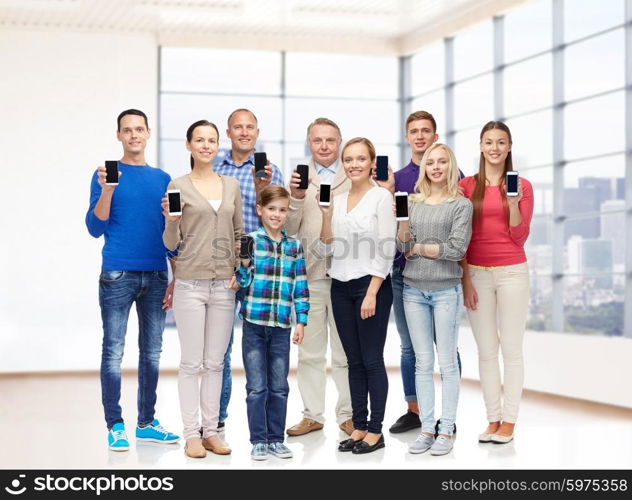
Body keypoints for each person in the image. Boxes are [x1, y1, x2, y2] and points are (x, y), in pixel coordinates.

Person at [85, 109, 180, 451]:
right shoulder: (105, 176)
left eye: (139, 129)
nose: (134, 135)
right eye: (128, 130)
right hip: (118, 274)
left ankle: (146, 422)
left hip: (156, 273)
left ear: (148, 132)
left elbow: (171, 231)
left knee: (152, 352)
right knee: (113, 352)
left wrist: (174, 277)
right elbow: (95, 228)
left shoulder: (163, 178)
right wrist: (108, 190)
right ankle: (115, 425)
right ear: (119, 135)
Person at [162, 120, 243, 458]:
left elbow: (239, 235)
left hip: (224, 284)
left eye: (212, 140)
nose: (206, 146)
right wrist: (171, 222)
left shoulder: (232, 185)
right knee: (191, 363)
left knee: (216, 363)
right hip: (190, 285)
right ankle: (191, 434)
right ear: (189, 145)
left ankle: (212, 431)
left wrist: (241, 269)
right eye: (200, 140)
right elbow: (170, 243)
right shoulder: (177, 185)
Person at [383, 111, 464, 435]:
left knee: (446, 350)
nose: (419, 136)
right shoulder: (399, 178)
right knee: (410, 348)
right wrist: (386, 191)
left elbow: (460, 235)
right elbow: (394, 228)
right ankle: (416, 411)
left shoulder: (454, 177)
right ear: (407, 137)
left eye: (425, 131)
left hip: (443, 277)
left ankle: (448, 414)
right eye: (413, 131)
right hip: (405, 274)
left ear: (435, 135)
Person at [318, 137, 396, 455]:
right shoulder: (336, 198)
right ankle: (359, 426)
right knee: (353, 362)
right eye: (348, 159)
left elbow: (387, 246)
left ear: (371, 162)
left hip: (371, 286)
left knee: (372, 360)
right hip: (340, 285)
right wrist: (325, 213)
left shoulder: (381, 198)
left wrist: (372, 292)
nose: (353, 164)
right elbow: (327, 245)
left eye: (360, 159)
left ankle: (376, 431)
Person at [459, 121, 533, 444]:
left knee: (512, 350)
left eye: (500, 142)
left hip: (512, 272)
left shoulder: (523, 186)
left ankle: (510, 421)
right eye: (488, 142)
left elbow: (519, 236)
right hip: (476, 273)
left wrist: (513, 204)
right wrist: (465, 280)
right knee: (486, 352)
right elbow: (460, 238)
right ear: (480, 146)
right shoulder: (465, 187)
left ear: (509, 147)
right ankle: (492, 419)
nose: (494, 148)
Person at [397, 143, 472, 456]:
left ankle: (447, 430)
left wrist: (420, 248)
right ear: (424, 167)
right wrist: (404, 230)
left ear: (450, 166)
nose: (436, 167)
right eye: (431, 162)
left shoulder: (461, 204)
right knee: (422, 363)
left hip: (445, 292)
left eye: (442, 162)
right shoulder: (412, 203)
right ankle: (427, 428)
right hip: (413, 290)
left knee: (447, 364)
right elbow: (403, 247)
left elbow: (457, 250)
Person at [213, 108, 285, 430]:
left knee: (267, 349)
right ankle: (218, 421)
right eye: (237, 127)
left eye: (250, 127)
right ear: (228, 132)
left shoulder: (272, 172)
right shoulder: (213, 168)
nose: (244, 132)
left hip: (264, 272)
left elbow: (277, 219)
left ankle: (269, 428)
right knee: (220, 349)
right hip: (224, 266)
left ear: (257, 132)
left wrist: (262, 187)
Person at [285, 118, 353, 437]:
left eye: (330, 140)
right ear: (309, 143)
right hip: (310, 277)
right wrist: (297, 198)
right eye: (317, 141)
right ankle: (312, 415)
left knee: (344, 353)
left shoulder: (352, 175)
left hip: (346, 278)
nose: (324, 146)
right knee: (310, 353)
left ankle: (348, 414)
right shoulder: (300, 180)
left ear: (339, 142)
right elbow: (288, 229)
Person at [235, 186, 310, 461]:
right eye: (271, 209)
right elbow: (242, 284)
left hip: (281, 326)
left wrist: (301, 321)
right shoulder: (251, 241)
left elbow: (301, 287)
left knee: (279, 386)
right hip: (254, 324)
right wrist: (243, 264)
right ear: (260, 210)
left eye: (282, 209)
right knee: (257, 387)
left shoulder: (294, 247)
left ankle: (276, 439)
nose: (277, 215)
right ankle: (259, 440)